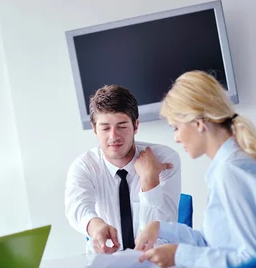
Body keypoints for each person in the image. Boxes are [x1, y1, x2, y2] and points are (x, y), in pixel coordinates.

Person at [136, 71, 256, 268]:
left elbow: (255, 260)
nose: (177, 138)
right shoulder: (227, 167)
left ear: (198, 123)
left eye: (176, 128)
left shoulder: (232, 172)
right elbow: (212, 242)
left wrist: (180, 256)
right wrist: (159, 228)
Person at [65, 85, 181, 254]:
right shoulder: (84, 166)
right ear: (94, 129)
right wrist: (95, 226)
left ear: (136, 126)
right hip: (107, 264)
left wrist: (150, 181)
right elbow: (77, 207)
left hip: (155, 263)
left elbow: (165, 226)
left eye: (122, 126)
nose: (113, 136)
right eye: (105, 128)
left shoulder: (164, 159)